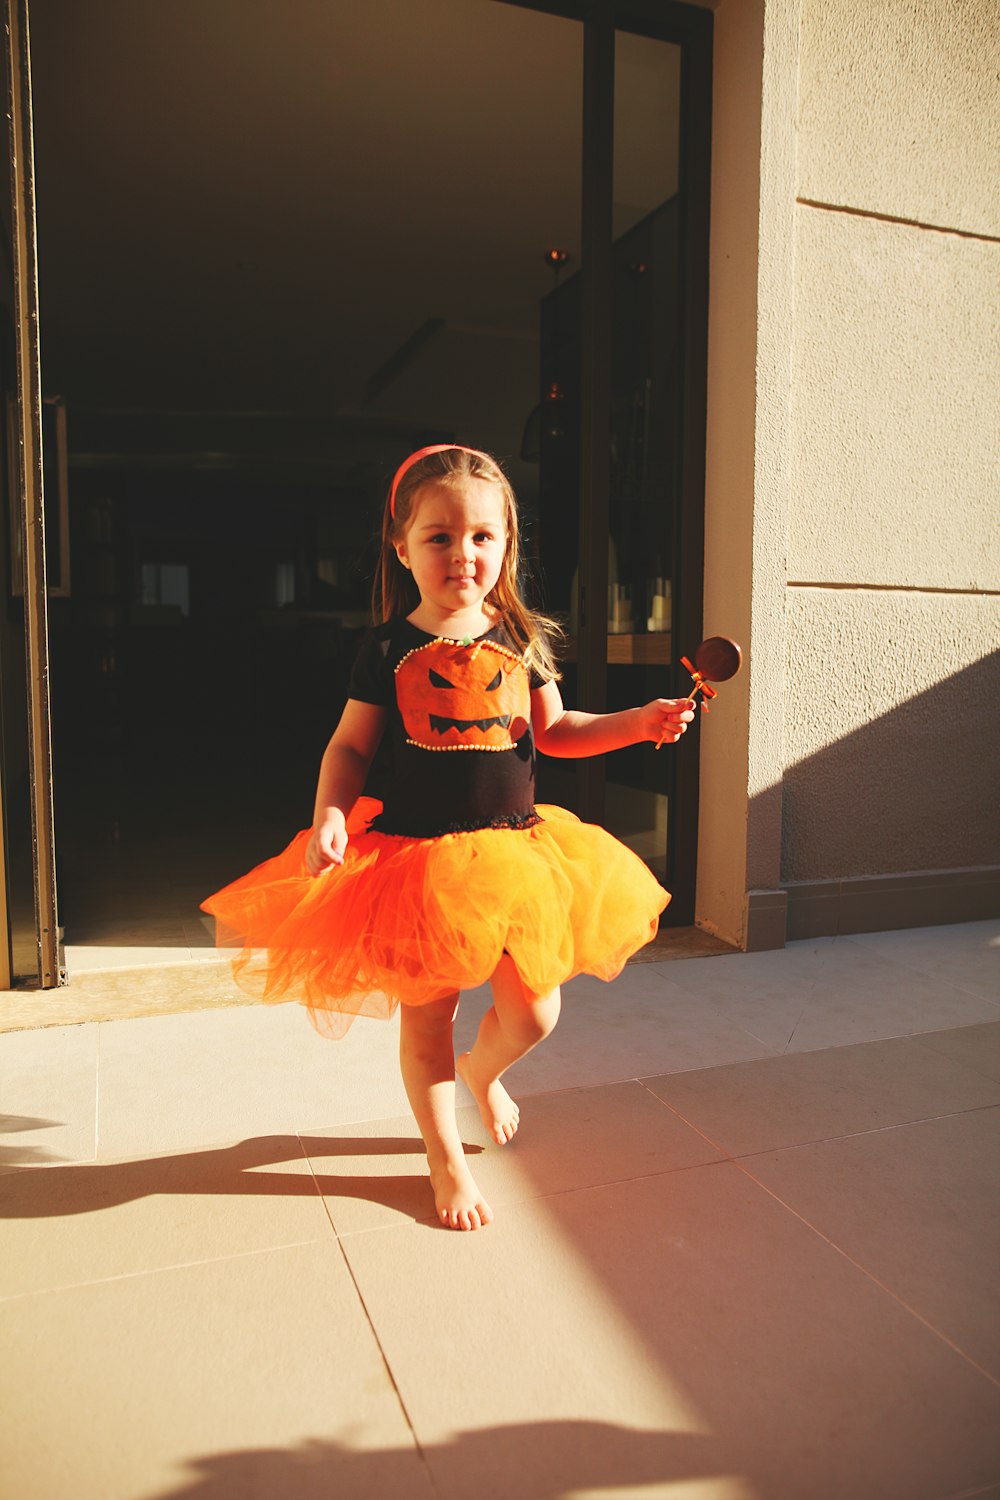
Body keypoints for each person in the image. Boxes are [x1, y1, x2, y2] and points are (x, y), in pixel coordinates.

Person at [202, 445, 695, 1231]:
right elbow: (350, 749)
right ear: (402, 547)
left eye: (481, 537)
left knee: (535, 1012)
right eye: (439, 537)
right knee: (426, 1018)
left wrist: (638, 723)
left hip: (517, 858)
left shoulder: (519, 639)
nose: (462, 554)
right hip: (415, 864)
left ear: (505, 544)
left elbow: (557, 730)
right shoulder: (387, 649)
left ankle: (483, 1070)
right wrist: (331, 812)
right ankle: (442, 1154)